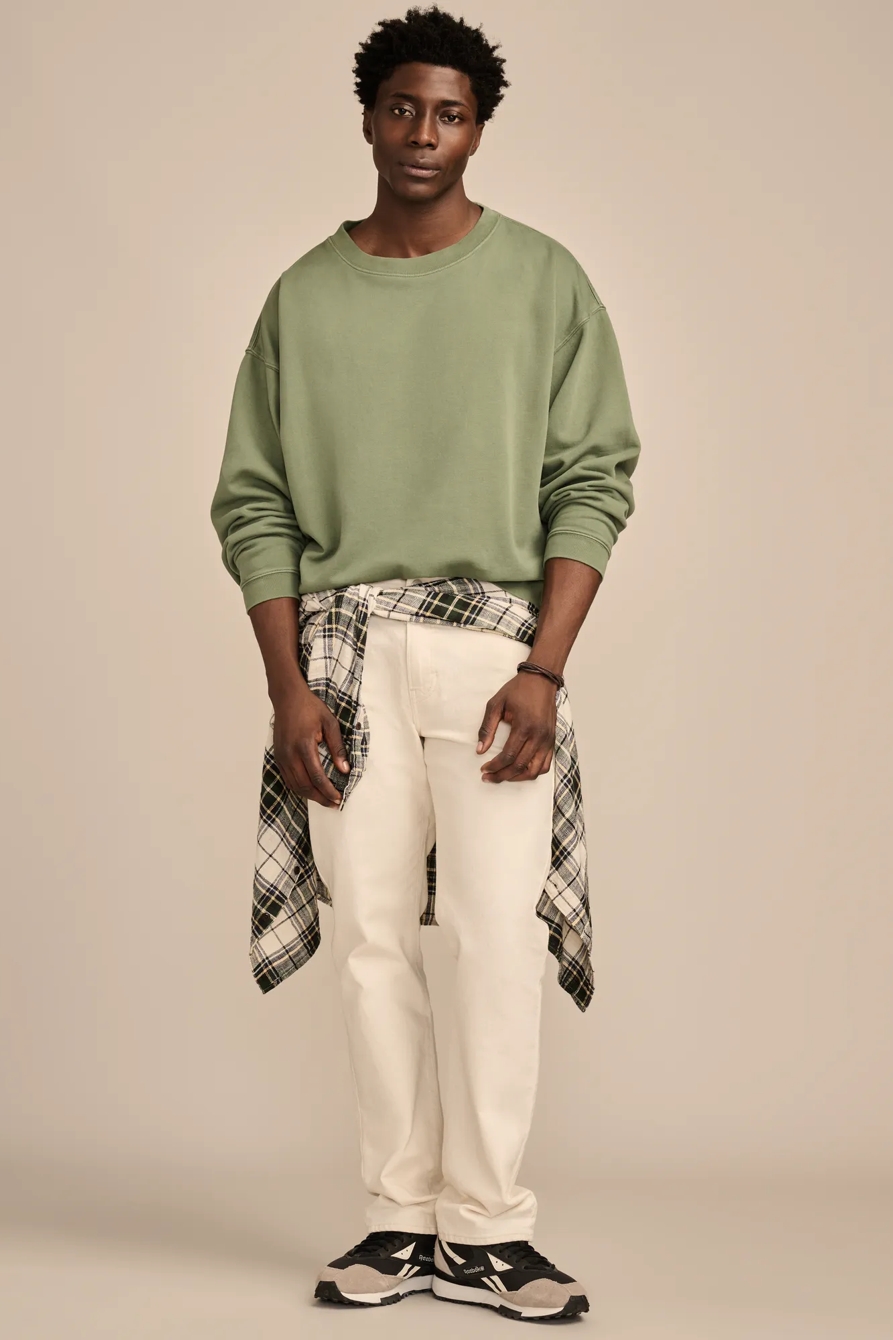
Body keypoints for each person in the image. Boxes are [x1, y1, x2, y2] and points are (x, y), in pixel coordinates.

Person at [210, 4, 641, 1323]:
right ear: (367, 116)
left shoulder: (544, 281)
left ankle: (491, 1231)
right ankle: (399, 1220)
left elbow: (592, 481)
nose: (422, 132)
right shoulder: (302, 297)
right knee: (372, 944)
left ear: (478, 130)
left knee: (498, 941)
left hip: (492, 658)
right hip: (342, 660)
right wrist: (287, 688)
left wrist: (544, 670)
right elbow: (255, 503)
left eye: (449, 113)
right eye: (403, 107)